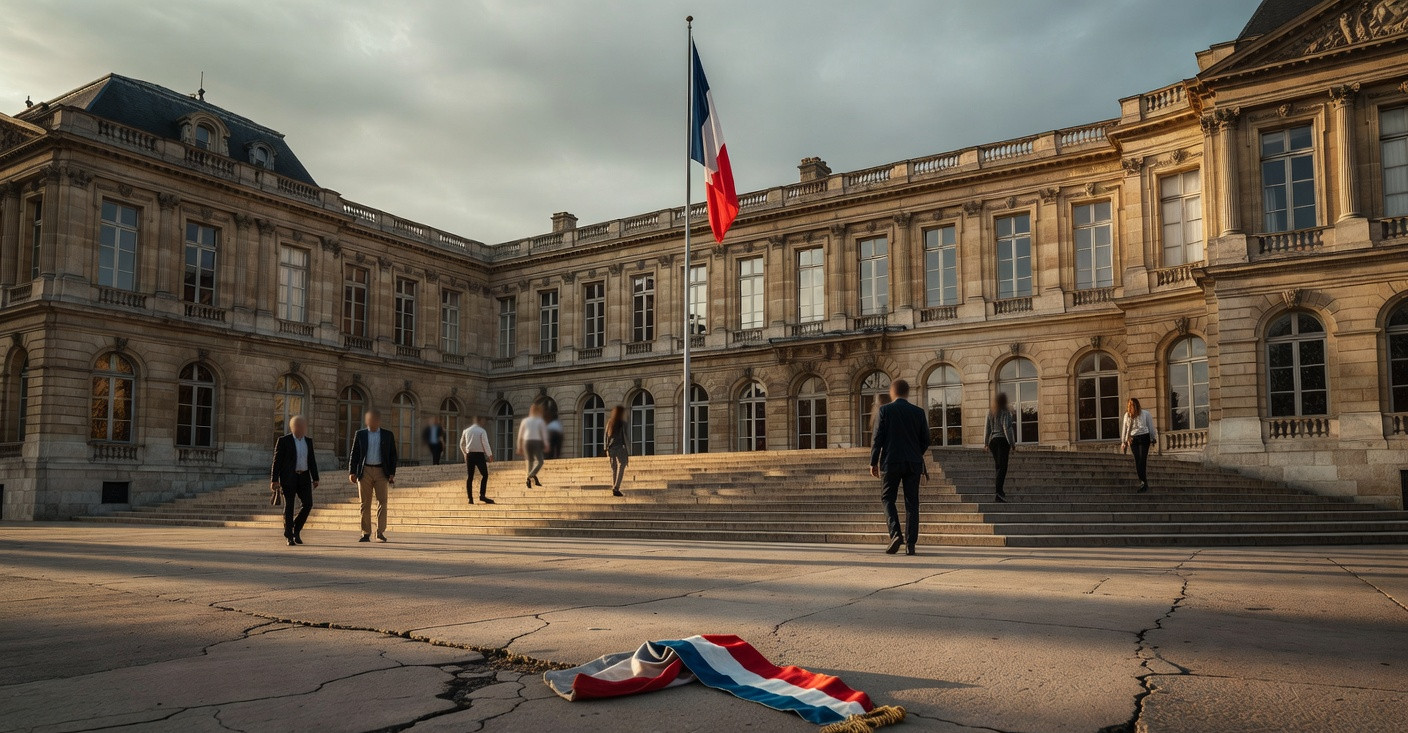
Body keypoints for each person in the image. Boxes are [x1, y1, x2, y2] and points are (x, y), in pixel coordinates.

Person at [868, 379, 931, 556]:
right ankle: (911, 544)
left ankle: (895, 534)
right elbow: (926, 440)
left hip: (891, 461)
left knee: (888, 499)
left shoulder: (884, 410)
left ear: (892, 392)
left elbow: (877, 438)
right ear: (907, 393)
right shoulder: (918, 412)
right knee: (912, 503)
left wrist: (873, 462)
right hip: (913, 463)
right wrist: (915, 452)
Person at [349, 409, 397, 542]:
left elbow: (393, 455)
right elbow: (355, 454)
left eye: (375, 419)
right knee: (365, 503)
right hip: (365, 471)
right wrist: (352, 472)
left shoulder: (388, 435)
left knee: (382, 502)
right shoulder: (360, 434)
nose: (373, 422)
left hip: (382, 471)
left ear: (379, 421)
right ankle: (365, 533)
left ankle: (380, 532)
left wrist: (392, 473)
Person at [270, 415, 319, 546]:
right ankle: (289, 536)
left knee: (308, 504)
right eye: (300, 426)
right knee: (289, 506)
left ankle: (296, 529)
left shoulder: (308, 441)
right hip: (288, 477)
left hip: (304, 477)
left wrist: (315, 478)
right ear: (293, 427)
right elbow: (277, 462)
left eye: (304, 426)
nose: (303, 428)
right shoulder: (284, 441)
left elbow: (311, 460)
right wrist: (274, 480)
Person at [984, 393, 1018, 503]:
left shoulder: (990, 412)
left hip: (993, 442)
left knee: (998, 467)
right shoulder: (1005, 412)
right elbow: (1007, 428)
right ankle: (998, 493)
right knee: (1002, 468)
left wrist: (986, 443)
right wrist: (1012, 443)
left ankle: (999, 492)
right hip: (1002, 441)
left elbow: (987, 429)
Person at [1121, 397, 1159, 493]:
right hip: (1133, 439)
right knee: (1137, 460)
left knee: (1142, 459)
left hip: (1144, 437)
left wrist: (1152, 437)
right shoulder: (1127, 415)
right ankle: (1143, 482)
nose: (1131, 407)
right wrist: (1124, 441)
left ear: (1137, 405)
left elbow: (1150, 426)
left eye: (1133, 405)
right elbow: (1125, 429)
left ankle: (1143, 482)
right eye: (1130, 405)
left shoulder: (1145, 413)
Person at [460, 415, 495, 504]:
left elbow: (461, 444)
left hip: (470, 455)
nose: (483, 423)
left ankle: (470, 498)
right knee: (485, 475)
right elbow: (485, 443)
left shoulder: (466, 431)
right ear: (479, 421)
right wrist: (489, 455)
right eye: (482, 421)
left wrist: (465, 454)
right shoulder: (481, 431)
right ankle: (482, 495)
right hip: (479, 455)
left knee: (470, 477)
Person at [517, 403, 549, 489]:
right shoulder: (540, 421)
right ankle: (530, 476)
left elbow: (520, 434)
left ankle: (530, 480)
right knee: (540, 461)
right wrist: (546, 444)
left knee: (530, 461)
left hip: (526, 442)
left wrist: (519, 446)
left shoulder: (525, 421)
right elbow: (544, 434)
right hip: (536, 442)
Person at [605, 405, 629, 497]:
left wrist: (606, 448)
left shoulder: (610, 422)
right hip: (620, 447)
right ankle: (616, 487)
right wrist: (627, 450)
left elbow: (606, 436)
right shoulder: (622, 423)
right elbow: (625, 437)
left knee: (614, 468)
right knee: (622, 465)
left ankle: (614, 486)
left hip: (611, 448)